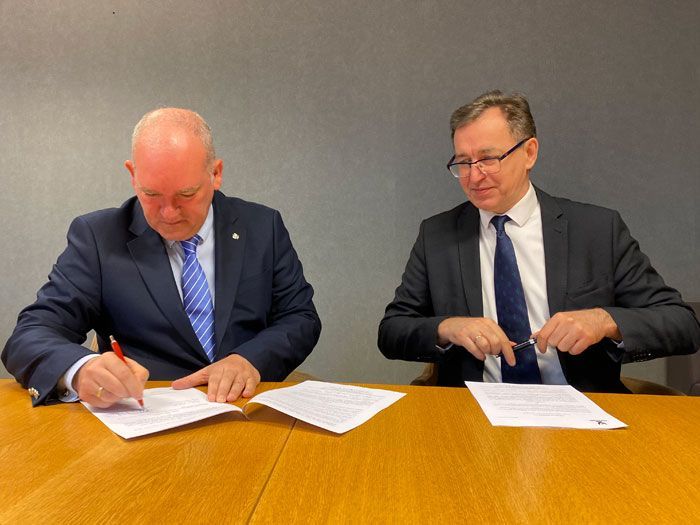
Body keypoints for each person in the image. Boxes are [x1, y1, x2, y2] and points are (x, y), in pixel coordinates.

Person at [378, 90, 700, 392]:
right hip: (474, 410)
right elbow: (392, 331)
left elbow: (682, 324)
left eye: (488, 159)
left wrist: (604, 321)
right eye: (463, 163)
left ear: (529, 152)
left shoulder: (597, 230)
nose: (474, 176)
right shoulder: (437, 235)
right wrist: (448, 328)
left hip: (579, 409)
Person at [3, 108, 321, 406]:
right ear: (132, 175)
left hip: (244, 407)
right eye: (151, 194)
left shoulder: (262, 226)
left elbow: (300, 318)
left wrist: (250, 360)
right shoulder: (99, 238)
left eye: (186, 194)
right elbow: (30, 335)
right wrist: (80, 369)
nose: (168, 214)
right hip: (147, 414)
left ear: (216, 173)